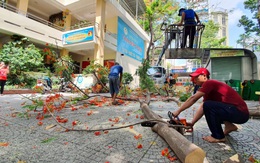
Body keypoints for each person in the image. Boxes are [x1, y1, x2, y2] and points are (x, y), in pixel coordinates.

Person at [170, 68, 249, 143]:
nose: (194, 79)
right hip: (237, 113)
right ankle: (229, 126)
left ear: (204, 76)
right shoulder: (208, 89)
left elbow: (193, 98)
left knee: (209, 105)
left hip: (239, 113)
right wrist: (192, 123)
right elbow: (203, 107)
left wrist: (178, 111)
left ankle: (218, 137)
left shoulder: (209, 83)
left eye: (197, 77)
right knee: (209, 106)